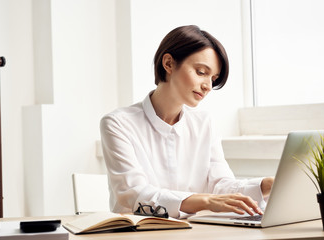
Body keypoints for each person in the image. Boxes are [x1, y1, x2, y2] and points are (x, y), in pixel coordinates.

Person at [100, 25, 274, 218]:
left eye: (213, 78)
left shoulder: (204, 122)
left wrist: (265, 185)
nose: (208, 86)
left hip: (194, 232)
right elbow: (134, 194)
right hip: (139, 233)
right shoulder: (117, 123)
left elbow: (221, 185)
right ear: (168, 64)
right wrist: (205, 201)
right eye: (201, 72)